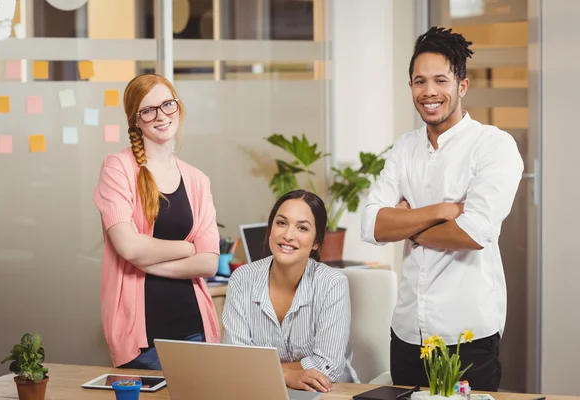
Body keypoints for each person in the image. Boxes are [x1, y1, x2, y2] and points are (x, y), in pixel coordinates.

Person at [361, 27, 524, 391]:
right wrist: (443, 209)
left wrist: (407, 223)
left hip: (467, 335)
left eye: (440, 80)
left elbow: (472, 233)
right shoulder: (405, 148)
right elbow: (373, 225)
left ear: (461, 86)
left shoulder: (493, 146)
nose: (429, 91)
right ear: (410, 87)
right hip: (407, 332)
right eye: (420, 81)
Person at [93, 73, 221, 370]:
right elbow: (128, 246)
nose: (160, 116)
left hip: (195, 331)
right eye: (148, 110)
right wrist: (187, 249)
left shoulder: (198, 180)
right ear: (135, 120)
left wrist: (150, 263)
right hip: (141, 340)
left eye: (167, 105)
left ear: (178, 107)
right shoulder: (119, 168)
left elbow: (209, 264)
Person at [223, 190, 359, 393]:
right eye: (281, 223)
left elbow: (329, 367)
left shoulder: (332, 284)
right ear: (270, 229)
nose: (288, 235)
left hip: (326, 393)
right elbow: (237, 361)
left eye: (302, 228)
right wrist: (288, 375)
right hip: (261, 391)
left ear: (316, 242)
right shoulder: (242, 279)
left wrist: (264, 370)